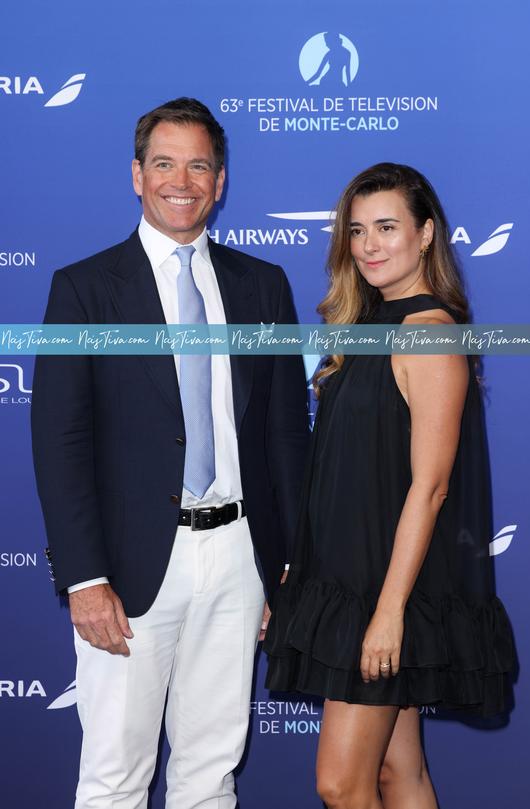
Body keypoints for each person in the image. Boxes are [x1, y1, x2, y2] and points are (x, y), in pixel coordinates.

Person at [31, 97, 309, 809]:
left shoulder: (262, 285)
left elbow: (284, 431)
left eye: (198, 165)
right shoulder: (84, 289)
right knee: (115, 775)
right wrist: (84, 576)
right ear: (136, 175)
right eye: (163, 163)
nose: (179, 180)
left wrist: (285, 559)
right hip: (126, 569)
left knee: (210, 770)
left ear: (220, 182)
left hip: (240, 556)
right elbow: (60, 440)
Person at [264, 163, 516, 809]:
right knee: (396, 776)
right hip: (350, 580)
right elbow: (342, 473)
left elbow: (430, 488)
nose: (369, 244)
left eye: (386, 227)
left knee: (340, 783)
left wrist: (388, 612)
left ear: (426, 234)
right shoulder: (366, 329)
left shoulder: (429, 335)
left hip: (384, 592)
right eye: (356, 230)